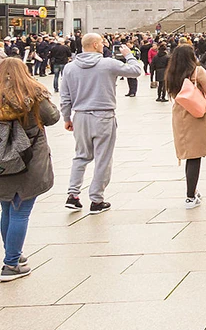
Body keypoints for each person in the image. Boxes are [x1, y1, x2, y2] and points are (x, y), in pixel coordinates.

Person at [60, 33, 143, 214]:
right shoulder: (107, 63)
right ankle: (96, 199)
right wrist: (129, 55)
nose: (104, 45)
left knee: (81, 156)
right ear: (96, 45)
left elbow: (65, 97)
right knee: (103, 159)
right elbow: (136, 71)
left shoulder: (70, 68)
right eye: (102, 42)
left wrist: (67, 118)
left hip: (80, 115)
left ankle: (73, 195)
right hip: (104, 115)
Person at [0, 58, 59, 281]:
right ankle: (11, 263)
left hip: (2, 161)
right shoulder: (33, 93)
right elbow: (52, 117)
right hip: (29, 159)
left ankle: (13, 254)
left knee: (6, 207)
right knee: (20, 210)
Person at [164, 45, 206, 209]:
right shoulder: (197, 72)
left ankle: (192, 191)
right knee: (195, 156)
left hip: (180, 115)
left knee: (189, 154)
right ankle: (190, 196)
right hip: (196, 116)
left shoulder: (172, 73)